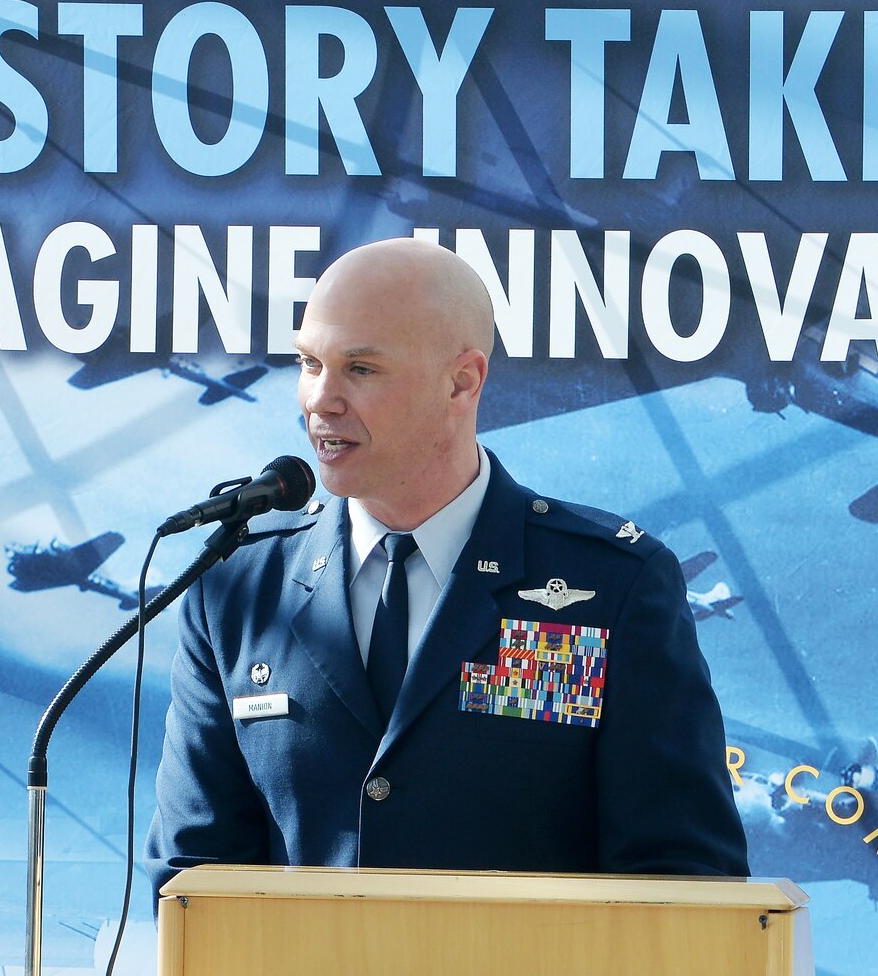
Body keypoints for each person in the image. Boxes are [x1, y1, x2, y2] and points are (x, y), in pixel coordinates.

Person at [145, 237, 747, 889]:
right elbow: (192, 883)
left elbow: (686, 882)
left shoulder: (612, 587)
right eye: (309, 363)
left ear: (462, 382)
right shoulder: (237, 594)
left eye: (361, 369)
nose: (320, 399)